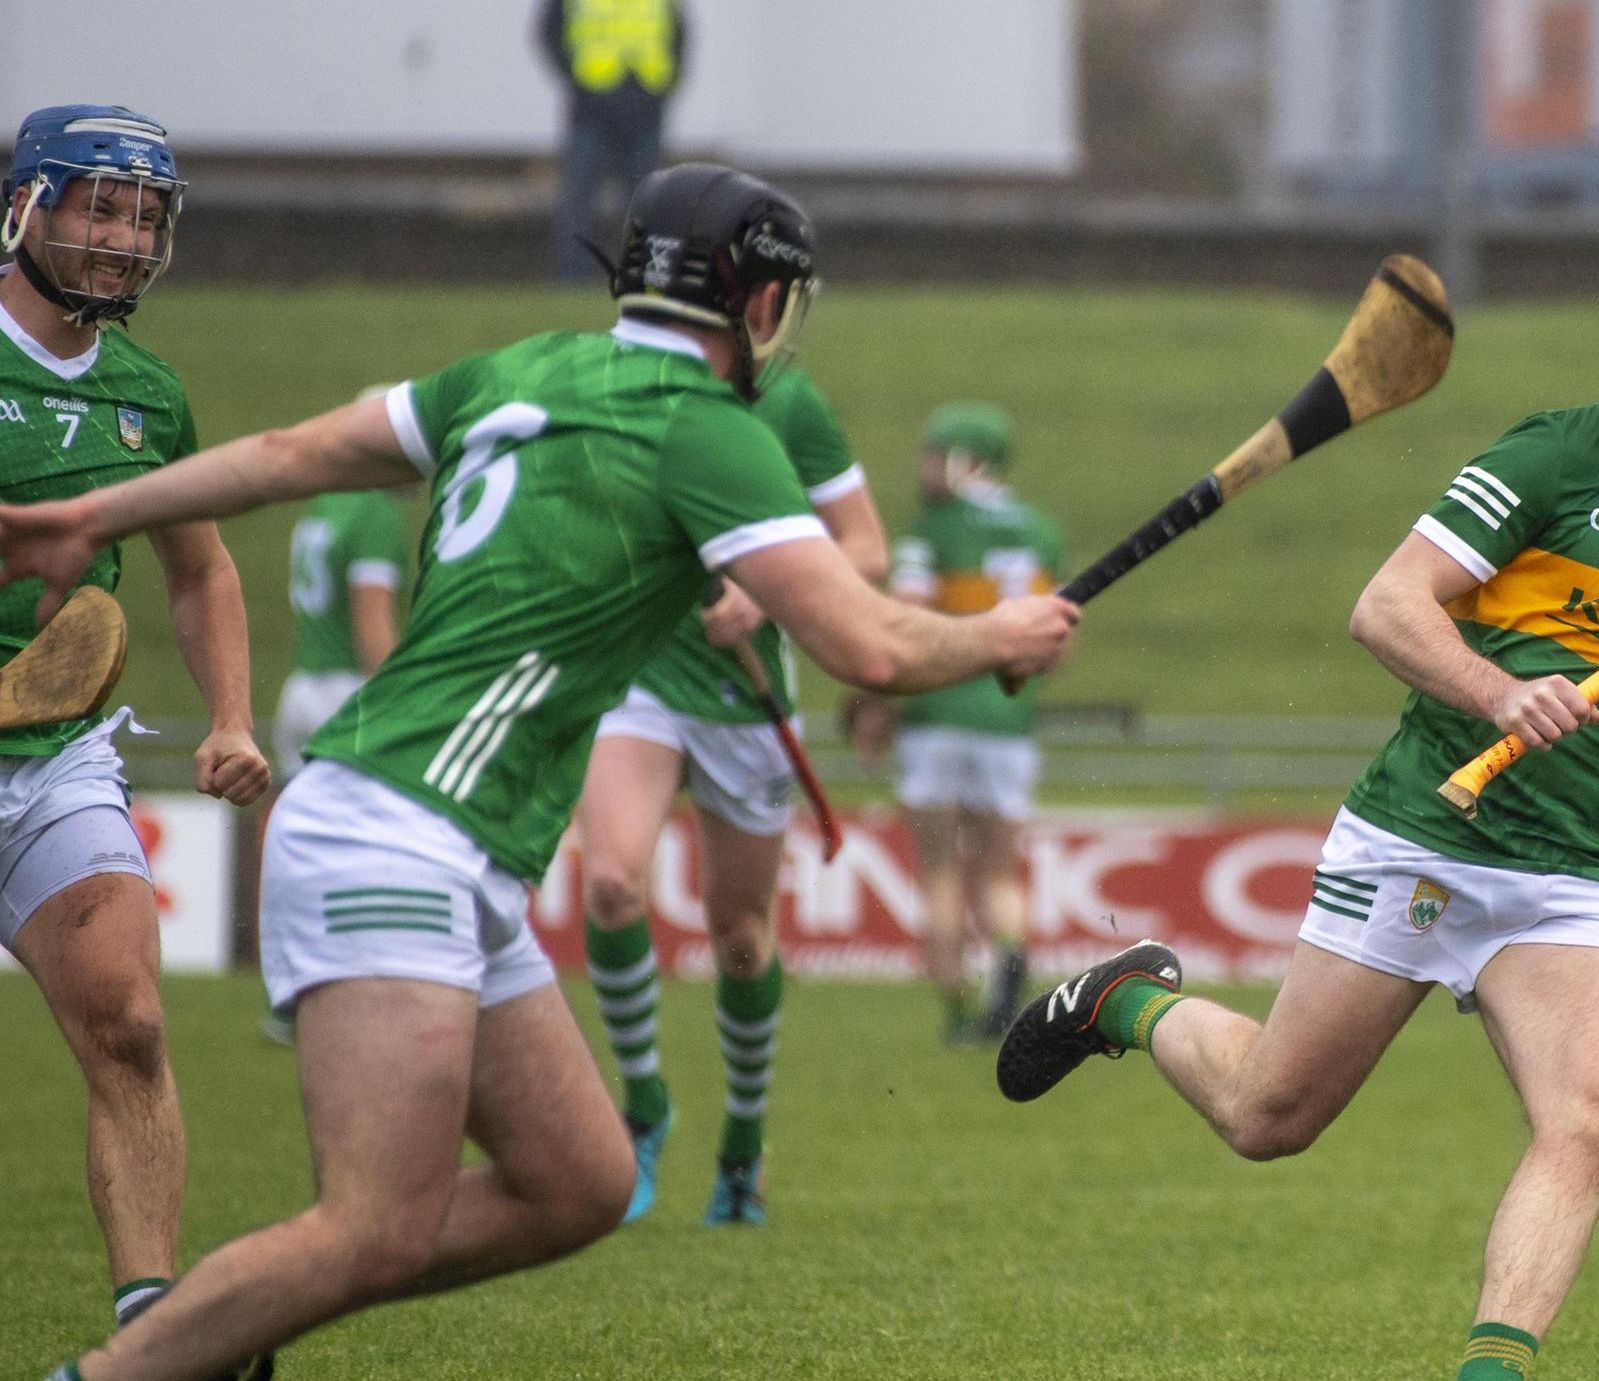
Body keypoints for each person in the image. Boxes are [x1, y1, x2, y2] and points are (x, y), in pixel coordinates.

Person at [9, 161, 1076, 1381]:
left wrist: (94, 514)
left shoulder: (517, 368)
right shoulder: (704, 430)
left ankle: (220, 1318)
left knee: (580, 1181)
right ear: (757, 303)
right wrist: (1004, 632)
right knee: (372, 1226)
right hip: (391, 829)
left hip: (441, 841)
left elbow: (297, 448)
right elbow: (870, 644)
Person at [999, 231, 1599, 1379]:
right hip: (1433, 829)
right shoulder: (1559, 452)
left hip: (1572, 872)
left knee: (1596, 1118)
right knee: (1267, 1119)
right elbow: (1384, 607)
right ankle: (1127, 999)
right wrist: (1497, 690)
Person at [0, 102, 268, 1339]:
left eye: (145, 212)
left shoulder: (149, 396)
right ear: (27, 208)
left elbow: (202, 570)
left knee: (131, 1019)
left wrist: (231, 716)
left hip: (52, 760)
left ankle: (152, 1329)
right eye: (99, 205)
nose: (123, 235)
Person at [577, 362, 887, 1228]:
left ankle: (743, 1145)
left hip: (741, 700)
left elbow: (866, 549)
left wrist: (760, 595)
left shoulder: (791, 400)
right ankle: (643, 1109)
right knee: (609, 884)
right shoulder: (622, 381)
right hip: (638, 673)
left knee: (742, 939)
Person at [852, 402, 1064, 1044]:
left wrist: (876, 709)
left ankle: (957, 1010)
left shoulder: (931, 532)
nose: (922, 469)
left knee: (941, 869)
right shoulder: (1043, 533)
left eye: (933, 454)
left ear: (966, 459)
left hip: (935, 721)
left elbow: (903, 625)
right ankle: (1010, 962)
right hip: (1008, 724)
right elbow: (1059, 645)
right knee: (1001, 872)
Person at [262, 464, 413, 1045]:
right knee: (374, 843)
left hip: (302, 688)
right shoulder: (375, 512)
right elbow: (371, 618)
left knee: (299, 846)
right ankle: (362, 988)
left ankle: (286, 994)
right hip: (348, 693)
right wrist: (398, 697)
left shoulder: (328, 501)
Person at [538, 0, 687, 281]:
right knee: (578, 199)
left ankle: (644, 278)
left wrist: (664, 86)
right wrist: (575, 76)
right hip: (592, 106)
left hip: (644, 105)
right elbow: (549, 31)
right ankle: (574, 279)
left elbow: (678, 34)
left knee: (646, 203)